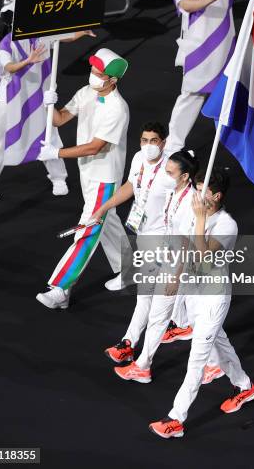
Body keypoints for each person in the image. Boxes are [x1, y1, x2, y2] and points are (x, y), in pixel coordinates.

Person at [149, 167, 254, 439]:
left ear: (217, 196)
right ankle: (244, 386)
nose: (196, 196)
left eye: (203, 191)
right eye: (196, 189)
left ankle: (175, 419)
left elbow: (204, 257)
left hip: (213, 298)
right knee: (218, 342)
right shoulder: (196, 214)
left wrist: (198, 219)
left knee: (197, 360)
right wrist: (176, 280)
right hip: (195, 293)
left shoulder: (227, 225)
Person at [0, 0, 95, 203]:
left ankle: (58, 178)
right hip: (12, 101)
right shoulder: (4, 44)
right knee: (1, 143)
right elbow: (9, 67)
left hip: (40, 97)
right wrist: (28, 61)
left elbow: (67, 37)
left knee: (50, 136)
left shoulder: (41, 35)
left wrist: (83, 31)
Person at [35, 48, 129, 307]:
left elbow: (95, 147)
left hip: (105, 177)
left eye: (99, 74)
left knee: (89, 226)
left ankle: (60, 288)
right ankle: (131, 269)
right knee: (107, 222)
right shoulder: (86, 92)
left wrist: (56, 153)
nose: (93, 76)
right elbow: (60, 119)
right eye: (93, 71)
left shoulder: (118, 109)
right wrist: (49, 104)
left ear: (113, 80)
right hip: (87, 172)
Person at [166, 0, 254, 154]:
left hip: (226, 46)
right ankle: (173, 146)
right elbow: (185, 4)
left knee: (233, 91)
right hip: (199, 51)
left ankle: (243, 139)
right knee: (192, 96)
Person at [113, 150, 198, 383]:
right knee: (167, 316)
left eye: (170, 172)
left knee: (160, 317)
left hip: (179, 267)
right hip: (166, 257)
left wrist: (175, 277)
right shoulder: (172, 193)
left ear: (185, 176)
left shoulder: (192, 203)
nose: (165, 175)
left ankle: (143, 366)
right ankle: (143, 362)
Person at [88, 121, 170, 363]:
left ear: (163, 143)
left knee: (150, 297)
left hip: (166, 240)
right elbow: (131, 186)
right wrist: (104, 208)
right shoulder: (138, 159)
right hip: (144, 234)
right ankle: (137, 342)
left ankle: (131, 345)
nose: (147, 145)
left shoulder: (172, 168)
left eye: (153, 141)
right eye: (144, 140)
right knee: (157, 296)